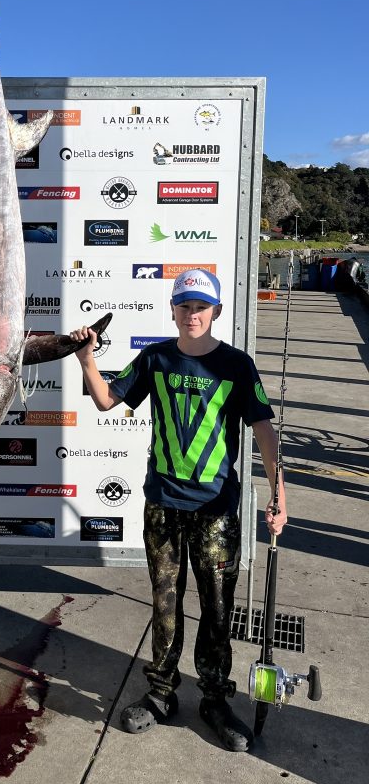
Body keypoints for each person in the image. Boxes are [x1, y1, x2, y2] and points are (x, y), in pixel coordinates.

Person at [70, 269, 286, 752]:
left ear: (217, 313)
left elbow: (265, 432)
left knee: (216, 608)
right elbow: (107, 400)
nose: (192, 315)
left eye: (201, 307)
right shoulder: (156, 357)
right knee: (165, 603)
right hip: (162, 505)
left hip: (216, 508)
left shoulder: (236, 364)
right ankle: (162, 693)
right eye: (184, 306)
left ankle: (214, 699)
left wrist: (279, 496)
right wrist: (86, 359)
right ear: (172, 309)